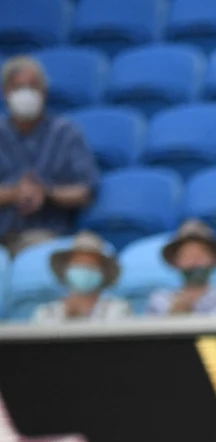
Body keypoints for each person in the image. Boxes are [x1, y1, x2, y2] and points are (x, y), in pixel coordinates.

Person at [0, 57, 98, 254]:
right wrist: (15, 193)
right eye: (18, 87)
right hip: (3, 232)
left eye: (32, 86)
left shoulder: (65, 133)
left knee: (39, 252)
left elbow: (85, 191)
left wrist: (46, 192)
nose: (25, 93)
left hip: (46, 235)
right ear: (5, 92)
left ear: (43, 91)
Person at [146, 220, 216, 316]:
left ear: (214, 259)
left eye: (201, 255)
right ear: (176, 261)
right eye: (187, 255)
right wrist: (173, 315)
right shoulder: (160, 300)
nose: (195, 262)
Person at [31, 230, 131, 322]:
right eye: (78, 264)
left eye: (91, 265)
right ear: (66, 269)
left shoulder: (118, 310)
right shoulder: (46, 313)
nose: (84, 269)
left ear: (103, 272)